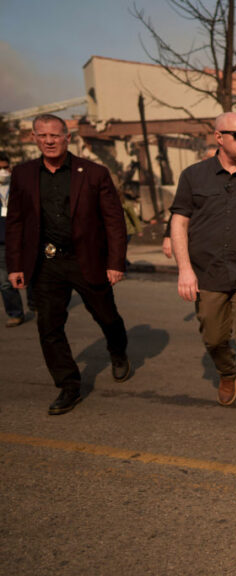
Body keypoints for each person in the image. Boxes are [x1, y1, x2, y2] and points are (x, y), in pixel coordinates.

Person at [5, 114, 130, 415]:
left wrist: (115, 262)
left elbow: (114, 222)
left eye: (55, 135)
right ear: (34, 138)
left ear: (67, 137)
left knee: (107, 316)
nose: (49, 141)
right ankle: (68, 385)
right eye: (42, 135)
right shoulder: (22, 174)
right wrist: (15, 265)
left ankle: (117, 350)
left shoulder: (94, 173)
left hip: (86, 260)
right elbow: (16, 222)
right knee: (49, 327)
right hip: (45, 263)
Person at [170, 112, 236, 437]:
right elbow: (179, 222)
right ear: (218, 137)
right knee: (214, 337)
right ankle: (226, 371)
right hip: (207, 273)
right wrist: (185, 269)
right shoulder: (193, 176)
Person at [1, 151, 29, 327]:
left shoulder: (19, 186)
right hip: (2, 242)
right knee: (4, 282)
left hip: (23, 238)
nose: (3, 172)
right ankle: (15, 313)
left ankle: (36, 303)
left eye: (5, 167)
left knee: (32, 274)